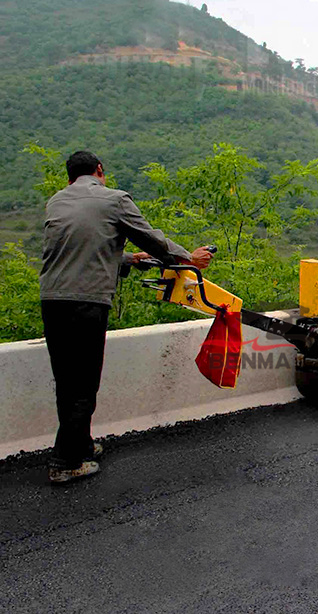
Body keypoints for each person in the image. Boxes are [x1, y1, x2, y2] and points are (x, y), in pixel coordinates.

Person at [40, 150, 214, 484]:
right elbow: (152, 237)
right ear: (100, 170)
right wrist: (188, 257)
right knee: (84, 383)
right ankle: (65, 461)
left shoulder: (57, 202)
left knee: (66, 379)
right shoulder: (115, 200)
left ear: (69, 177)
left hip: (52, 300)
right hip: (86, 302)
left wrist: (131, 260)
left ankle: (82, 445)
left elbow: (81, 250)